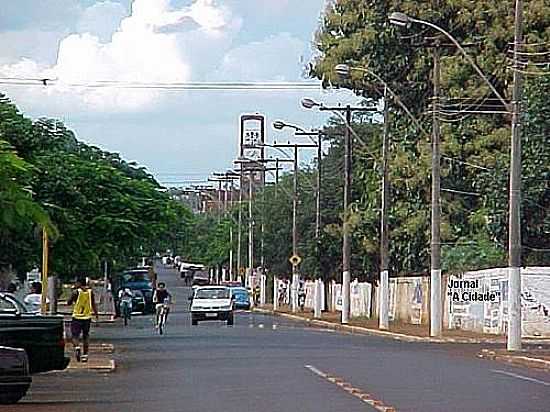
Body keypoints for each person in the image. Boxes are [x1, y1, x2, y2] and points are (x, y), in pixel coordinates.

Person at [67, 277, 98, 363]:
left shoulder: (76, 292)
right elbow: (94, 304)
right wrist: (96, 315)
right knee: (86, 336)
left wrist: (72, 295)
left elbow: (68, 302)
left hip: (77, 317)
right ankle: (85, 355)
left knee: (74, 335)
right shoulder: (90, 292)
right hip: (87, 317)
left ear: (79, 283)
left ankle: (77, 347)